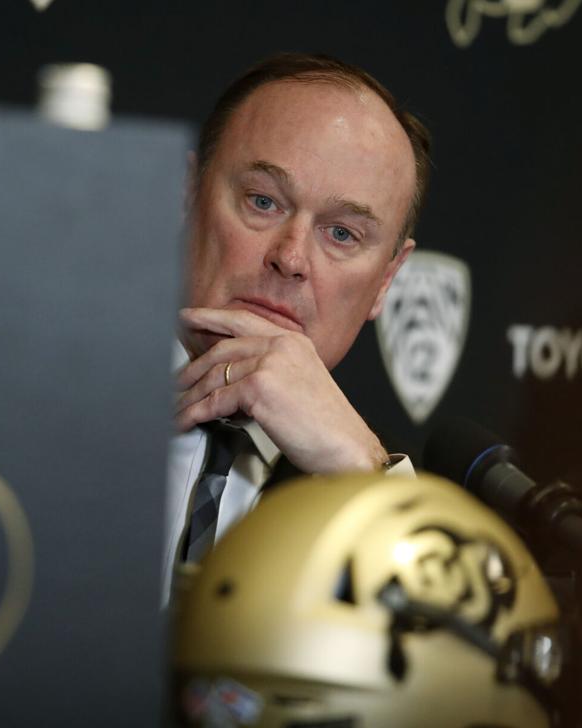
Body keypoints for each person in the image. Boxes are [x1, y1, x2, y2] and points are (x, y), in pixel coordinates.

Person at [164, 53, 432, 595]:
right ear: (187, 195)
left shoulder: (377, 491)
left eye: (342, 234)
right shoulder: (39, 396)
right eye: (263, 201)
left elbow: (443, 666)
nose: (291, 258)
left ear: (386, 280)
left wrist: (363, 474)